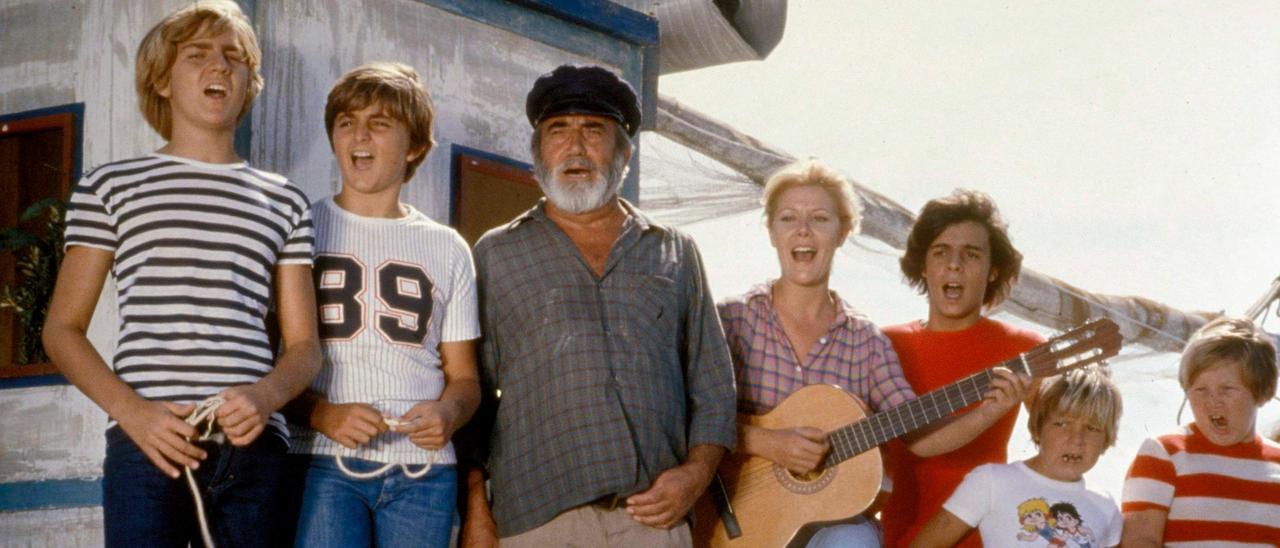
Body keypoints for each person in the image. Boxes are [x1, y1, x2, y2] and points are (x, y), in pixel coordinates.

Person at [41, 1, 321, 545]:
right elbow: (61, 328)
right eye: (197, 55)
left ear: (248, 81)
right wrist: (133, 413)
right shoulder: (110, 187)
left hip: (254, 448)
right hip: (147, 445)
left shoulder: (285, 200)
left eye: (233, 57)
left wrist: (265, 397)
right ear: (162, 81)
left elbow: (305, 345)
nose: (219, 66)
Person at [458, 64, 737, 547]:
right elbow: (472, 398)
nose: (575, 147)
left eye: (594, 130)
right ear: (537, 152)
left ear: (624, 153)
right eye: (558, 130)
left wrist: (694, 477)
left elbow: (714, 388)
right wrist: (477, 513)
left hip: (654, 520)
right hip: (538, 522)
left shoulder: (674, 250)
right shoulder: (495, 253)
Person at [717, 162, 1031, 547]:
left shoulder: (866, 340)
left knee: (855, 542)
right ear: (771, 232)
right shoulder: (729, 319)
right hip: (733, 516)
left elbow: (918, 435)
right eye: (788, 218)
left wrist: (988, 410)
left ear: (843, 232)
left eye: (819, 218)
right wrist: (764, 442)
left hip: (829, 526)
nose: (803, 229)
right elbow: (682, 414)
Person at [284, 62, 480, 547]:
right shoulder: (299, 228)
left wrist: (447, 415)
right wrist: (321, 414)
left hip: (424, 471)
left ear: (414, 145)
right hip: (323, 460)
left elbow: (465, 379)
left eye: (380, 123)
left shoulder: (449, 246)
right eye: (346, 122)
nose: (359, 135)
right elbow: (269, 359)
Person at [879, 189, 1046, 547]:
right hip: (897, 538)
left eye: (971, 254)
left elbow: (1064, 437)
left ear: (992, 270)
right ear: (924, 266)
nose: (954, 264)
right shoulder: (883, 344)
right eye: (941, 252)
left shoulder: (1024, 347)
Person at [910, 366, 1124, 548]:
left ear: (1107, 439)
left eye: (1092, 428)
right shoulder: (991, 480)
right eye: (1062, 423)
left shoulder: (1106, 507)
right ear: (1038, 427)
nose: (1076, 439)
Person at [1120, 316, 1280, 546]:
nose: (1213, 401)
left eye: (1227, 389)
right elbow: (1140, 540)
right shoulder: (1163, 454)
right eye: (1200, 389)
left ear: (1262, 392)